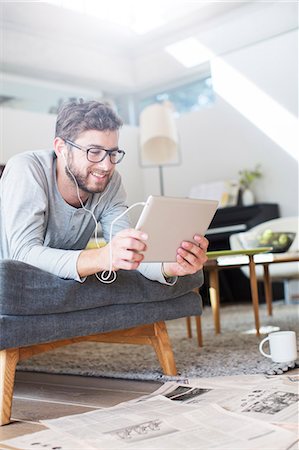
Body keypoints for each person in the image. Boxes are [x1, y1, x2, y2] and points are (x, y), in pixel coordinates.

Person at [0, 99, 208, 285]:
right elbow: (22, 255)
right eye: (94, 152)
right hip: (12, 281)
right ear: (61, 148)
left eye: (113, 153)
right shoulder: (26, 170)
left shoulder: (111, 182)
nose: (107, 166)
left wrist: (169, 267)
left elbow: (126, 252)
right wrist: (101, 257)